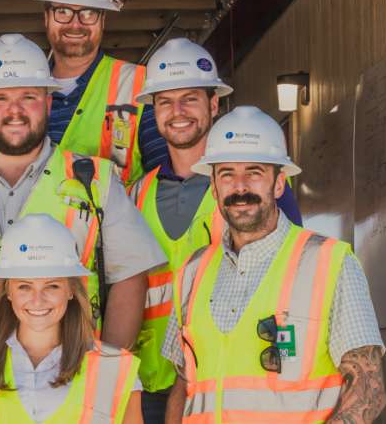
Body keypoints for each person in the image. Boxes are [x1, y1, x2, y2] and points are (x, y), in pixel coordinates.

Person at [0, 33, 164, 413]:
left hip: (70, 398)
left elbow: (130, 279)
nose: (14, 110)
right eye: (1, 98)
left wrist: (101, 382)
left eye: (28, 97)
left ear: (48, 102)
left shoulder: (94, 182)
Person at [163, 106, 385, 423]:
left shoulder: (331, 263)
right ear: (213, 186)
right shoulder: (191, 273)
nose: (240, 188)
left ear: (279, 184)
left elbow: (368, 388)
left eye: (254, 172)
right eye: (227, 174)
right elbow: (184, 386)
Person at [126, 38, 302, 422]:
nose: (178, 112)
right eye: (165, 101)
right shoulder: (134, 195)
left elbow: (293, 281)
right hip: (147, 385)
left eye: (190, 98)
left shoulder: (256, 192)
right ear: (153, 111)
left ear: (213, 104)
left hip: (226, 381)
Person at [0, 214, 143, 423]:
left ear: (70, 290)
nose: (37, 300)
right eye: (24, 286)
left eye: (52, 286)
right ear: (8, 291)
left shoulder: (116, 369)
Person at [35, 0, 167, 185]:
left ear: (103, 20)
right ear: (46, 17)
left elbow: (164, 185)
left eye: (88, 12)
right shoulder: (21, 89)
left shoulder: (140, 85)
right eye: (63, 11)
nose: (75, 24)